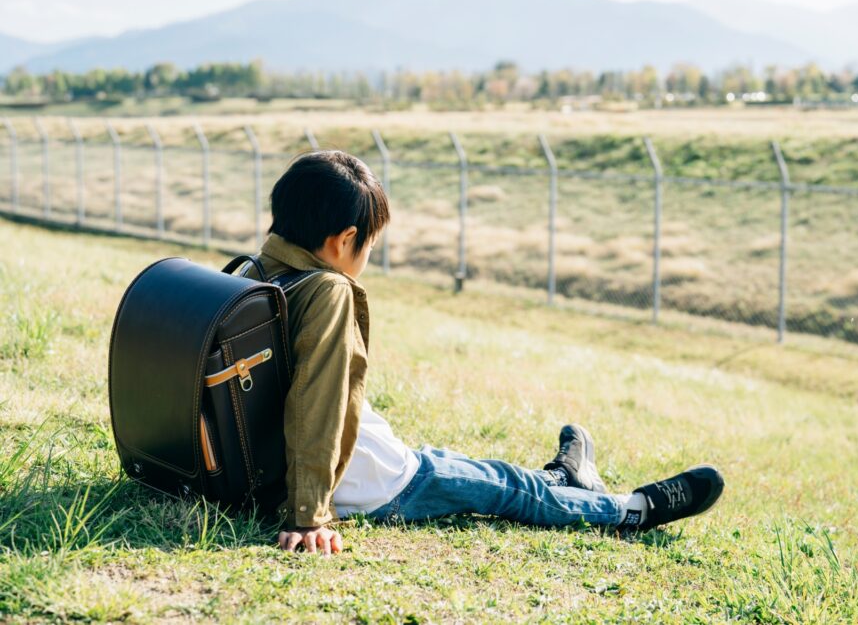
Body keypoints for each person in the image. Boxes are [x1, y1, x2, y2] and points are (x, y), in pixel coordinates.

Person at [251, 150, 724, 556]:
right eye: (370, 244)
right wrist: (307, 515)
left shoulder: (250, 277)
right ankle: (633, 509)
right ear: (344, 241)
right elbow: (319, 398)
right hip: (380, 483)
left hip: (357, 462)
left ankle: (566, 476)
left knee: (480, 472)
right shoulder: (330, 291)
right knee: (510, 492)